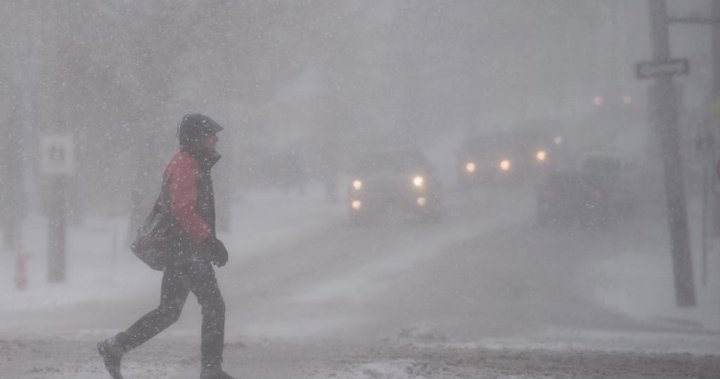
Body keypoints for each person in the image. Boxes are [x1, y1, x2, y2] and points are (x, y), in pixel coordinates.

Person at [98, 114, 234, 379]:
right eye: (211, 134)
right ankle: (211, 369)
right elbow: (183, 209)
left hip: (183, 250)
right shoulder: (186, 164)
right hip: (186, 250)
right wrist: (208, 242)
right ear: (196, 138)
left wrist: (207, 243)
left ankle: (116, 346)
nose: (216, 139)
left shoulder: (192, 162)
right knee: (214, 305)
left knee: (168, 311)